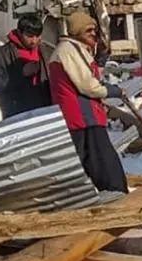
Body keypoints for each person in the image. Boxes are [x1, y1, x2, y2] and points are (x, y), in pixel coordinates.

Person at [48, 11, 128, 193]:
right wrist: (112, 91)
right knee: (103, 160)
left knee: (87, 160)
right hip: (82, 116)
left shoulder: (77, 49)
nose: (93, 33)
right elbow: (88, 85)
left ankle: (92, 193)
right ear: (77, 32)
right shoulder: (68, 50)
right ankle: (115, 194)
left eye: (94, 30)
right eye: (88, 30)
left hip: (83, 116)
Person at [0, 14, 52, 119]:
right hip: (17, 113)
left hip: (45, 109)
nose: (34, 41)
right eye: (29, 36)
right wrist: (21, 73)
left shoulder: (45, 51)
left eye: (37, 35)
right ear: (19, 33)